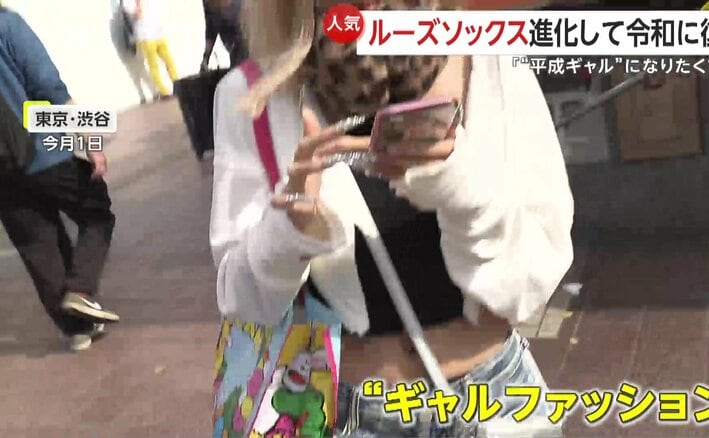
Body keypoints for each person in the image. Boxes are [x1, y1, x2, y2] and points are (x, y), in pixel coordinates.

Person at [210, 0, 573, 436]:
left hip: (498, 399)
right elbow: (242, 300)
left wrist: (456, 183)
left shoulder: (489, 56)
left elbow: (536, 275)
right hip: (358, 413)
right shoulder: (252, 94)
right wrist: (290, 230)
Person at [0, 6, 120, 352]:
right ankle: (81, 290)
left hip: (4, 175)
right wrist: (89, 140)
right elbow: (48, 85)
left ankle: (77, 330)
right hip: (43, 150)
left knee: (38, 245)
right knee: (97, 212)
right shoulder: (7, 24)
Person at [122, 0, 179, 99]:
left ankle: (178, 85)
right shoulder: (127, 2)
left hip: (158, 33)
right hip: (145, 36)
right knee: (153, 65)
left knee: (169, 61)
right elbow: (137, 15)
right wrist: (138, 2)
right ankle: (163, 91)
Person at [201, 0, 246, 71]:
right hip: (235, 53)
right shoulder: (209, 7)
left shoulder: (241, 8)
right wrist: (206, 58)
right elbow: (211, 30)